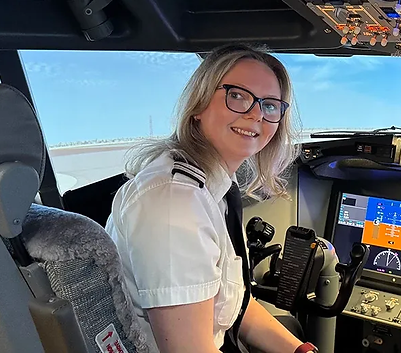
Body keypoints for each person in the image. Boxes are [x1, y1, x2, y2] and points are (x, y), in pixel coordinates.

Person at [104, 43, 315, 353]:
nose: (256, 113)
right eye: (238, 96)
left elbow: (235, 304)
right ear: (199, 105)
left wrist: (302, 351)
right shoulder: (174, 204)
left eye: (270, 104)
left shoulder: (212, 190)